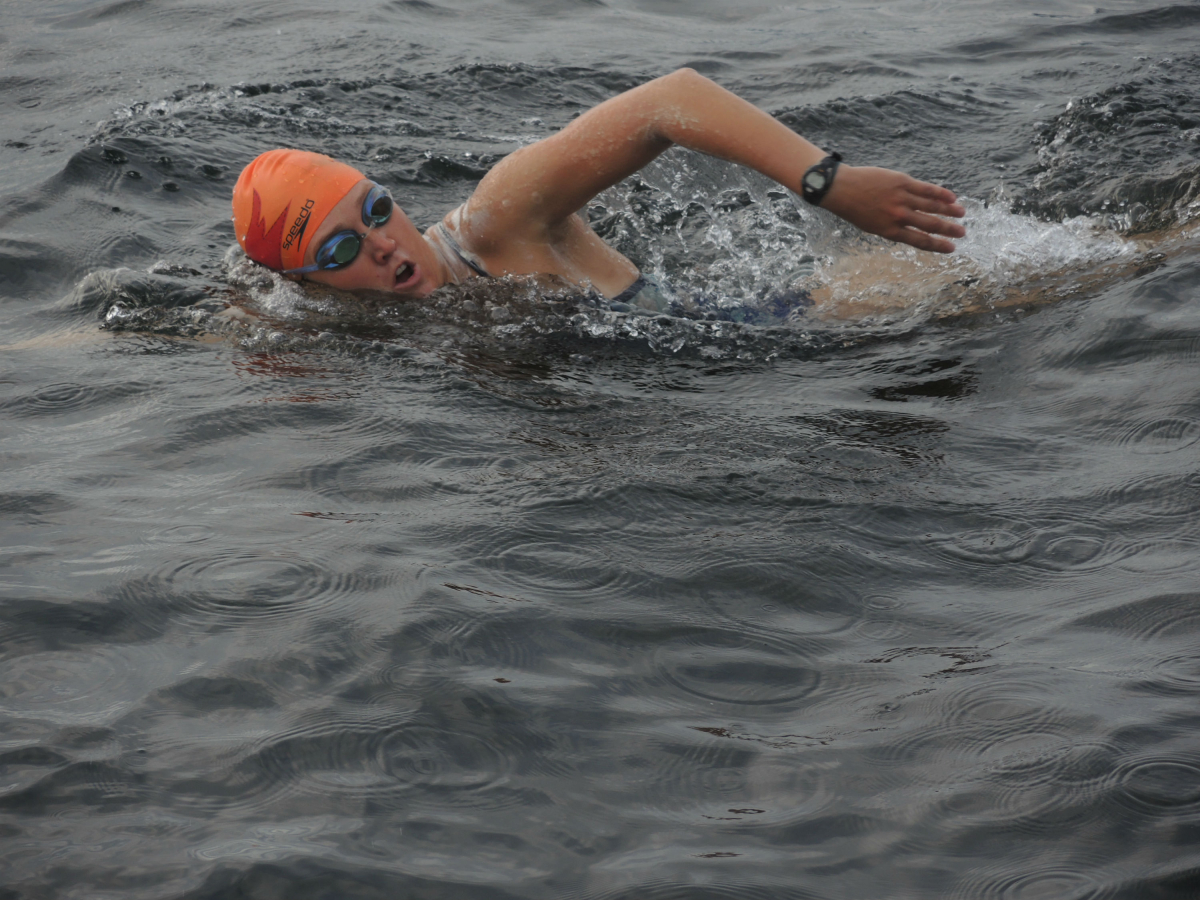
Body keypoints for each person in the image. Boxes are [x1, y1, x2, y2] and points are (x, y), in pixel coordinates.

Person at [231, 68, 966, 309]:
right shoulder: (336, 327)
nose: (384, 243)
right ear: (307, 285)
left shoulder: (496, 222)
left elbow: (671, 100)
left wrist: (827, 181)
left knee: (1051, 284)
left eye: (376, 210)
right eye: (339, 251)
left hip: (800, 325)